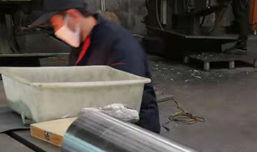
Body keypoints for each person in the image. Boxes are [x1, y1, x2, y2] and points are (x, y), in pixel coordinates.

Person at [31, 0, 160, 133]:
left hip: (133, 133)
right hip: (97, 126)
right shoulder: (80, 45)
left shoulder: (119, 44)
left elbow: (126, 103)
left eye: (56, 24)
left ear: (73, 16)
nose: (57, 31)